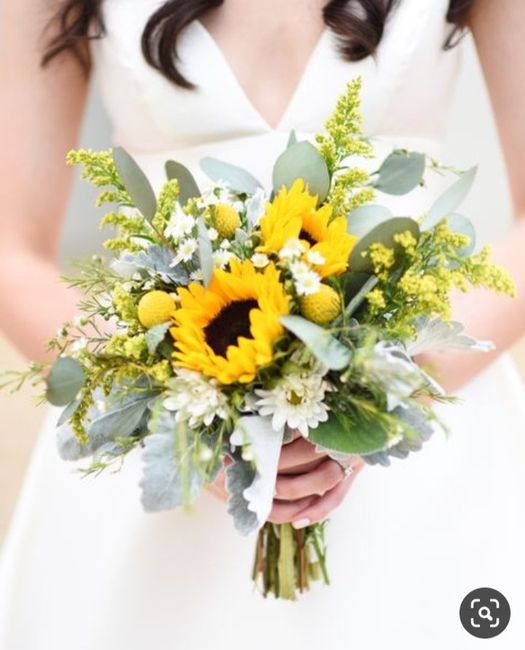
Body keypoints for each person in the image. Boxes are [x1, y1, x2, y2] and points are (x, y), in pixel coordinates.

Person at [0, 0, 524, 647]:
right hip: (166, 461)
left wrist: (367, 401)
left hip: (422, 455)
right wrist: (183, 417)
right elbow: (10, 251)